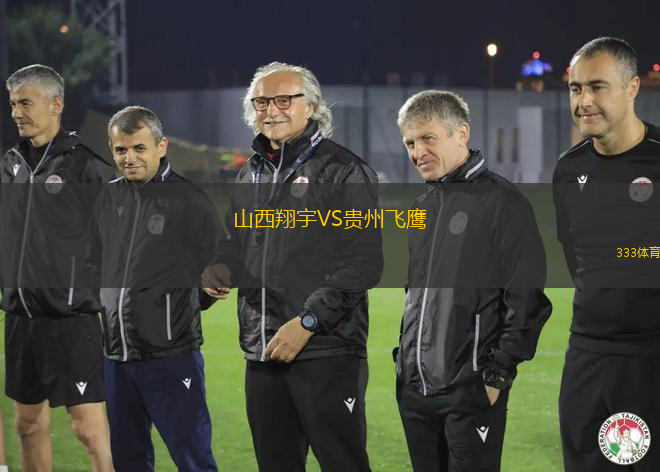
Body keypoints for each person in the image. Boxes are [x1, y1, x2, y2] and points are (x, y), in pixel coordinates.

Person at [202, 62, 383, 472]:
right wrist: (220, 268)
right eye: (262, 102)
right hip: (262, 351)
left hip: (326, 350)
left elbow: (363, 261)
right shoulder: (251, 171)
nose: (271, 110)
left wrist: (308, 321)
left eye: (284, 100)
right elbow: (237, 242)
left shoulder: (343, 170)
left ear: (311, 106)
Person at [394, 90, 552, 471]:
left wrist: (498, 374)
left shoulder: (503, 202)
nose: (418, 152)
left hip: (470, 392)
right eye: (410, 143)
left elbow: (526, 298)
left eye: (428, 138)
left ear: (461, 134)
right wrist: (404, 362)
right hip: (415, 391)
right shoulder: (421, 207)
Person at [87, 106, 223, 471]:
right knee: (128, 460)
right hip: (117, 357)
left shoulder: (188, 199)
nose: (129, 158)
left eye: (139, 148)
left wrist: (180, 307)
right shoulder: (108, 198)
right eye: (121, 150)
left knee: (192, 458)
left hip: (171, 355)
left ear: (161, 147)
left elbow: (219, 262)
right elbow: (93, 263)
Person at [0, 64, 114, 472]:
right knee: (28, 425)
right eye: (13, 104)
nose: (17, 113)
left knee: (88, 431)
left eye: (26, 103)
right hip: (20, 319)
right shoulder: (10, 163)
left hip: (71, 320)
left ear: (56, 105)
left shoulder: (87, 167)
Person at [554, 37, 660, 471]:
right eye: (576, 88)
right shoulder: (568, 168)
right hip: (587, 356)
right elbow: (573, 255)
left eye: (597, 87)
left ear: (632, 87)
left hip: (651, 359)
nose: (584, 101)